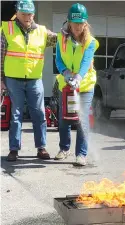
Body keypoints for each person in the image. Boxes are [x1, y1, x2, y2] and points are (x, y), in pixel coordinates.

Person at [0, 0, 57, 161]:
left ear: (34, 14)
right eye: (24, 14)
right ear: (17, 13)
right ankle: (13, 149)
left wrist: (69, 33)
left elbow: (59, 41)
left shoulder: (42, 31)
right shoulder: (7, 29)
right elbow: (0, 54)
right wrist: (0, 80)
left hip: (34, 79)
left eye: (30, 14)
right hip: (12, 79)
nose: (27, 17)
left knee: (39, 113)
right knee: (16, 115)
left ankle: (41, 148)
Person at [54, 3, 99, 166]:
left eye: (81, 23)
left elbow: (87, 61)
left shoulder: (91, 42)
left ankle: (81, 154)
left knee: (82, 119)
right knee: (64, 118)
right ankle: (64, 149)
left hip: (85, 85)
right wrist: (66, 73)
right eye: (76, 23)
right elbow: (58, 59)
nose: (78, 27)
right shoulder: (61, 38)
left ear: (85, 23)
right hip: (66, 85)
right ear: (69, 22)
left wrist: (79, 77)